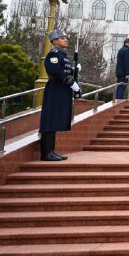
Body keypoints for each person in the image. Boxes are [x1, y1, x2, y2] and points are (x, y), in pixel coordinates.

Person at [39, 29, 80, 161]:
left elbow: (66, 70)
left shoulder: (63, 55)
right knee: (50, 120)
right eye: (63, 38)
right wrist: (71, 83)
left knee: (55, 119)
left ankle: (51, 150)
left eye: (65, 38)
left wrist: (75, 70)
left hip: (62, 90)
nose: (66, 39)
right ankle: (46, 153)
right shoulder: (53, 55)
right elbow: (57, 72)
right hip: (55, 89)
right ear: (55, 41)